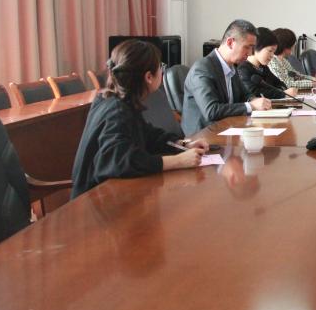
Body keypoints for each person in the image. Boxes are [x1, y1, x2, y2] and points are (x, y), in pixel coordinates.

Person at [71, 39, 208, 198]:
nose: (162, 71)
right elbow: (121, 161)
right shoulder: (116, 110)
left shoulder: (118, 101)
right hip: (94, 201)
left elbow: (148, 135)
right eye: (160, 67)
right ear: (149, 77)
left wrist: (182, 144)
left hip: (111, 195)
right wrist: (179, 161)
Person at [182, 19, 271, 134]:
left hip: (227, 130)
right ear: (230, 43)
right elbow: (211, 111)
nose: (250, 53)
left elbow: (244, 95)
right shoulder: (202, 69)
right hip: (203, 136)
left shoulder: (231, 66)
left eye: (252, 48)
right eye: (247, 47)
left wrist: (254, 100)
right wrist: (251, 106)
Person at [238, 27, 297, 99]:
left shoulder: (263, 67)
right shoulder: (243, 69)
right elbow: (254, 93)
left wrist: (282, 91)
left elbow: (281, 84)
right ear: (256, 46)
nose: (272, 55)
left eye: (274, 52)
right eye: (270, 51)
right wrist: (282, 94)